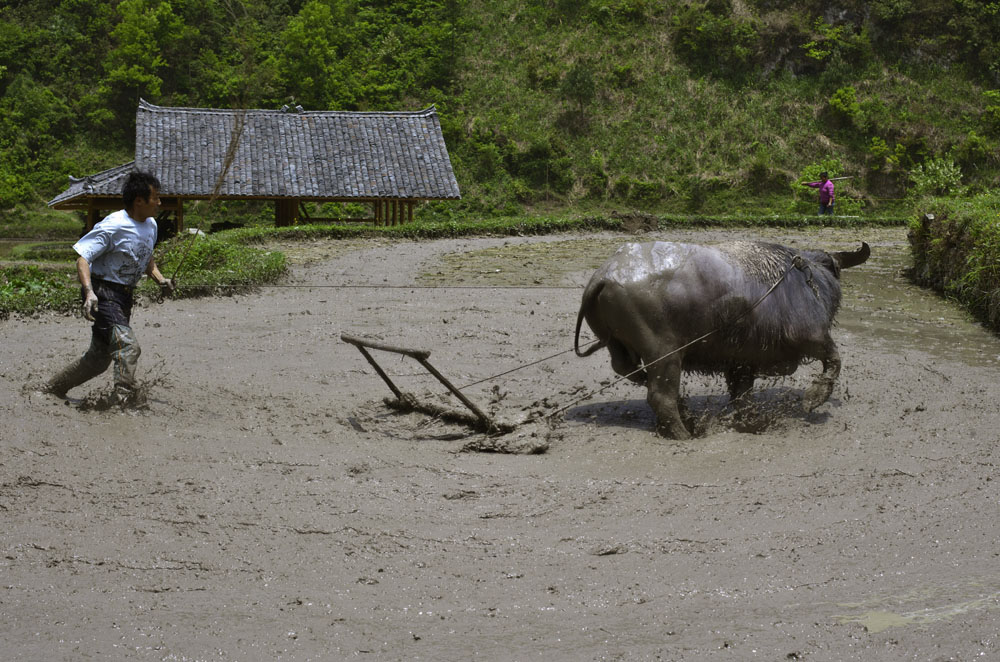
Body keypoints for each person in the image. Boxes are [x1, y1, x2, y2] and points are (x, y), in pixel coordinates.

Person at [45, 170, 174, 401]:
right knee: (128, 346)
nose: (159, 202)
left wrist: (160, 279)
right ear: (139, 201)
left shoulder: (151, 225)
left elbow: (146, 257)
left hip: (124, 297)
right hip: (103, 293)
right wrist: (89, 293)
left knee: (98, 359)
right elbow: (83, 258)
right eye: (155, 197)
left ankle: (51, 389)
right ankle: (121, 399)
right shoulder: (113, 225)